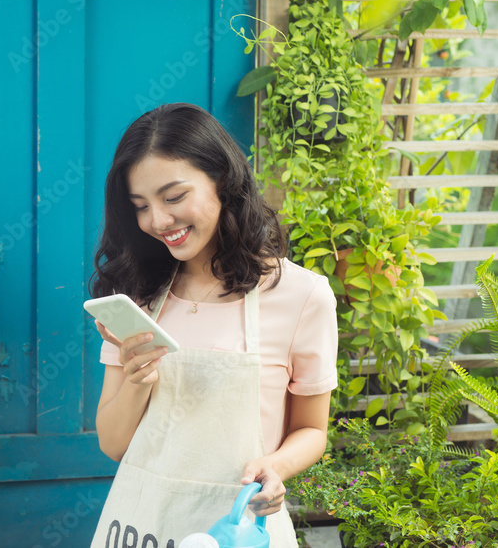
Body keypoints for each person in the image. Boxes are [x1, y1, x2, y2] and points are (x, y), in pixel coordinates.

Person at [88, 103, 338, 548]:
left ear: (223, 179)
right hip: (144, 528)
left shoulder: (302, 297)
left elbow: (312, 430)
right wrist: (138, 380)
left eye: (174, 197)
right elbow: (114, 444)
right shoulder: (136, 296)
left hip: (240, 529)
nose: (158, 222)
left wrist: (276, 466)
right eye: (141, 206)